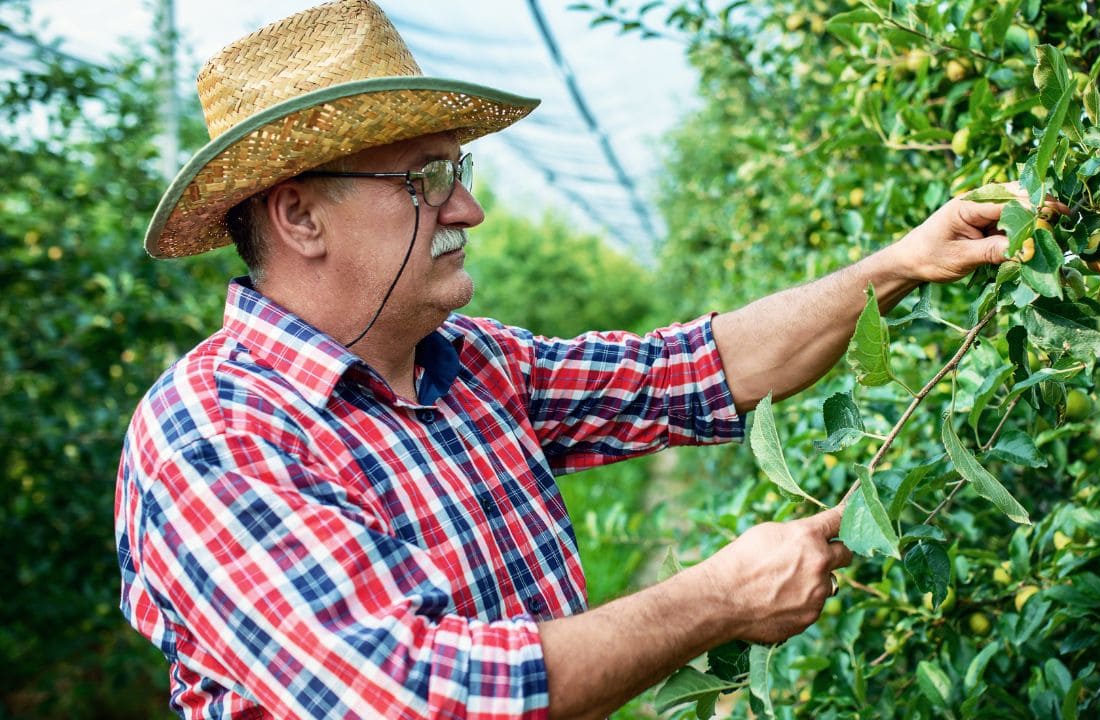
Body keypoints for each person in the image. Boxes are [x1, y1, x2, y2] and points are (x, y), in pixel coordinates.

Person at [115, 1, 1043, 717]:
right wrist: (718, 598)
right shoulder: (212, 436)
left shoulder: (469, 365)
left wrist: (898, 264)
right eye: (428, 180)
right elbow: (417, 699)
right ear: (300, 216)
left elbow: (690, 371)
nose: (466, 211)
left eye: (459, 174)